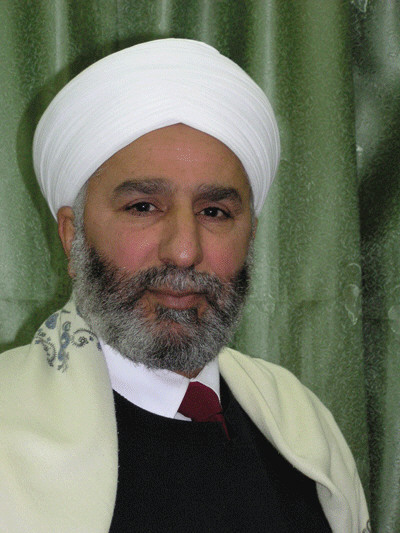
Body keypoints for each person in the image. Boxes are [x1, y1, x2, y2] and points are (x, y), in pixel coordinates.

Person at [0, 39, 369, 533]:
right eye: (143, 207)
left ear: (250, 236)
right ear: (73, 236)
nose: (183, 251)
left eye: (214, 212)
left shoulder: (301, 423)